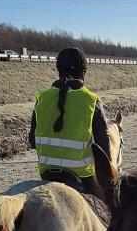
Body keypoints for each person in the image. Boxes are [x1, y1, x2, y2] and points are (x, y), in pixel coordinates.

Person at [28, 47, 111, 194]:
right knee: (107, 202)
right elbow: (103, 146)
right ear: (84, 71)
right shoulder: (91, 101)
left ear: (58, 69)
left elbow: (33, 142)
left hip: (46, 174)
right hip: (82, 177)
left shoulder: (42, 98)